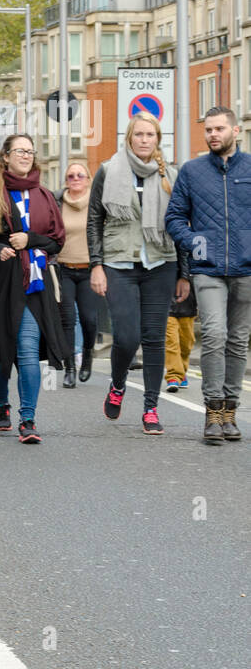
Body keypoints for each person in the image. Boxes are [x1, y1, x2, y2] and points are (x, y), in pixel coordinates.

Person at [89, 111, 187, 436]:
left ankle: (150, 408)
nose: (144, 140)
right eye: (139, 134)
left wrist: (184, 273)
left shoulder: (170, 174)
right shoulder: (108, 171)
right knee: (127, 336)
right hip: (119, 263)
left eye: (150, 135)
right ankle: (118, 385)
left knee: (155, 338)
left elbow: (182, 225)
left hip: (162, 263)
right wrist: (96, 265)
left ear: (158, 139)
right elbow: (94, 221)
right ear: (129, 138)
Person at [0, 134, 72, 442]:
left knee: (28, 350)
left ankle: (28, 419)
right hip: (2, 279)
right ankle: (1, 405)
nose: (26, 156)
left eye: (30, 151)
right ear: (6, 157)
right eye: (20, 151)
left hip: (35, 282)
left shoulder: (44, 196)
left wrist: (31, 240)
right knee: (0, 354)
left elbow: (57, 240)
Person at [165, 105, 251, 443]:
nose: (213, 134)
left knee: (238, 340)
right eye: (209, 130)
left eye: (219, 129)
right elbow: (174, 217)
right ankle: (212, 410)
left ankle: (231, 410)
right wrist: (194, 242)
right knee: (214, 333)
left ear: (235, 131)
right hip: (208, 269)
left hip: (246, 268)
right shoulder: (192, 171)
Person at [55, 159, 99, 388]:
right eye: (71, 176)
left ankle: (88, 355)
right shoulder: (57, 201)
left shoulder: (96, 201)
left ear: (88, 179)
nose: (75, 180)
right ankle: (69, 367)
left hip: (89, 269)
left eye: (80, 175)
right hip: (64, 268)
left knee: (89, 320)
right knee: (67, 320)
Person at [165, 286, 197, 393]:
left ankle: (181, 371)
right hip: (167, 301)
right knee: (171, 341)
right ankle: (173, 376)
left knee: (186, 344)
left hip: (188, 303)